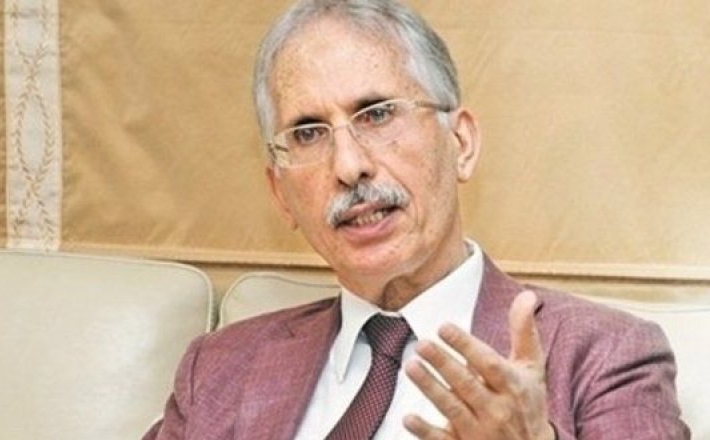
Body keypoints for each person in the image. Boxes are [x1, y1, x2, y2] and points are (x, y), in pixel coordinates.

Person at [144, 0, 689, 438]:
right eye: (308, 133)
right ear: (281, 195)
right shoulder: (218, 369)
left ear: (461, 143)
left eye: (377, 114)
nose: (349, 166)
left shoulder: (604, 355)